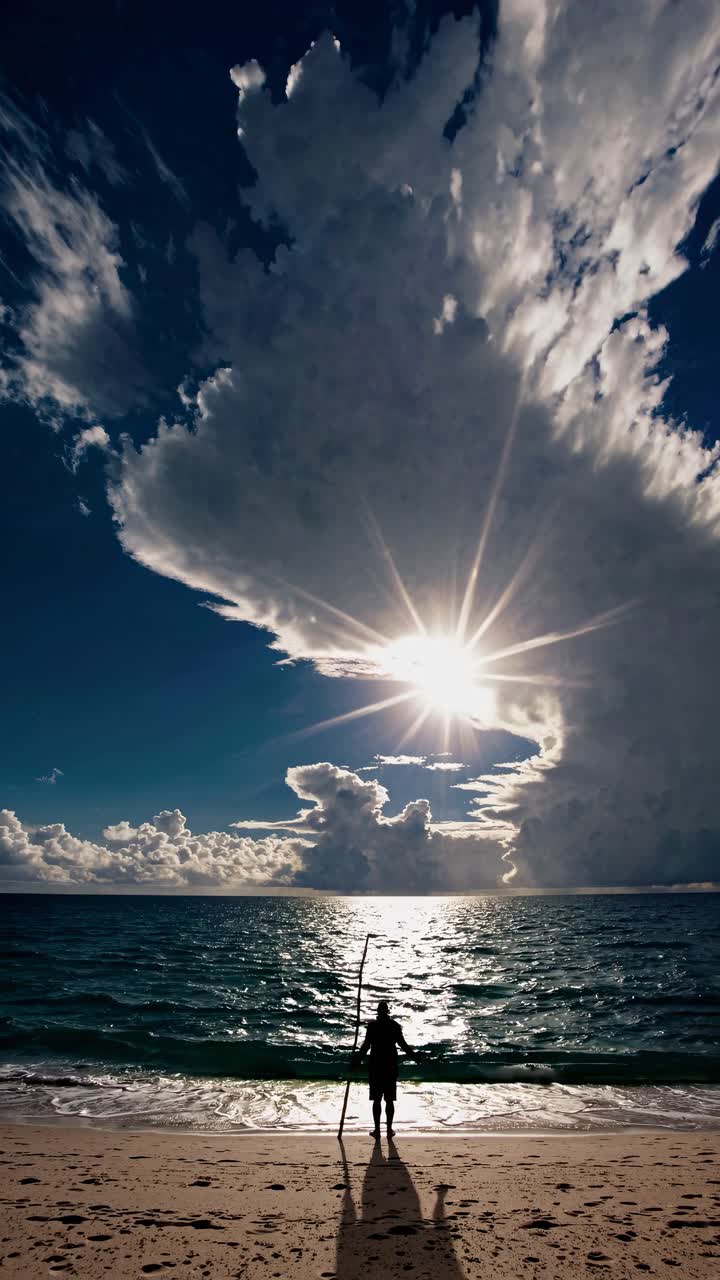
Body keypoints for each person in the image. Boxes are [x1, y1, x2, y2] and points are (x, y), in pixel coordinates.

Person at [353, 1000, 415, 1139]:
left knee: (377, 1100)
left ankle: (377, 1130)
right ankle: (388, 1130)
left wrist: (357, 1060)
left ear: (378, 1012)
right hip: (389, 1066)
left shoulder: (373, 1026)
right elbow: (403, 1045)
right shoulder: (394, 1026)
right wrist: (414, 1056)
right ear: (387, 1012)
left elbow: (365, 1046)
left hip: (376, 1067)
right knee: (389, 1100)